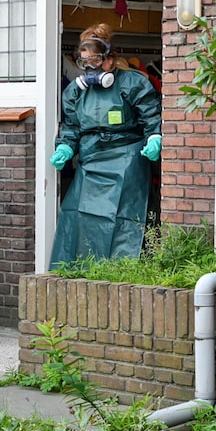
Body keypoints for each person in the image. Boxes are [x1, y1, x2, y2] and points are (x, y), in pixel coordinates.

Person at [49, 23, 162, 268]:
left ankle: (122, 273)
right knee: (80, 219)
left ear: (110, 59)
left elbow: (152, 116)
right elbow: (71, 127)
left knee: (126, 223)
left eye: (96, 61)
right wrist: (65, 147)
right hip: (91, 163)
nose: (90, 67)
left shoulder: (133, 83)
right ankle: (80, 272)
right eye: (84, 62)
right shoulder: (74, 93)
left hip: (127, 161)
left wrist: (154, 137)